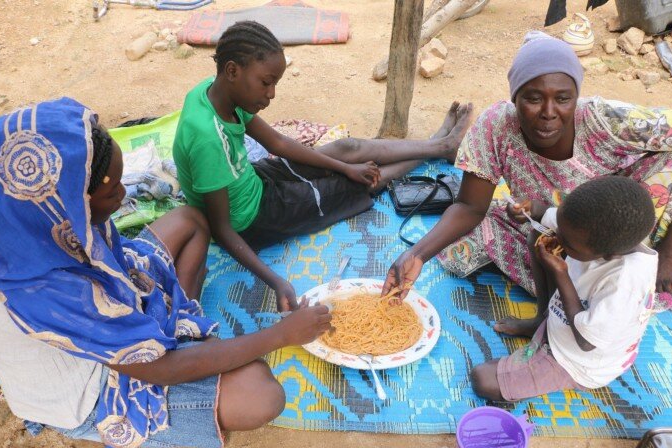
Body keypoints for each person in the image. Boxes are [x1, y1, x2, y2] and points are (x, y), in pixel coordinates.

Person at [0, 98, 332, 448]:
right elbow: (160, 370)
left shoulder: (30, 219)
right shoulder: (42, 290)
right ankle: (178, 346)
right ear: (72, 202)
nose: (122, 198)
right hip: (91, 387)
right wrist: (282, 334)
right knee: (261, 393)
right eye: (111, 192)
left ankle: (173, 333)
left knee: (190, 220)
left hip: (117, 313)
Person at [382, 31, 672, 332]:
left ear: (576, 98)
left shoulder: (604, 119)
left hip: (620, 230)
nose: (548, 113)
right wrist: (416, 254)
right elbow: (469, 206)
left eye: (563, 99)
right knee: (480, 232)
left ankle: (631, 278)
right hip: (558, 226)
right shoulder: (496, 127)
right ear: (515, 97)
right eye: (533, 98)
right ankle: (571, 298)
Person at [173, 20, 473, 313]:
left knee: (348, 149)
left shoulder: (216, 93)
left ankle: (439, 147)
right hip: (254, 219)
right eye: (266, 82)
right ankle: (438, 144)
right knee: (361, 184)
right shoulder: (207, 139)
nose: (272, 93)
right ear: (232, 71)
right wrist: (275, 281)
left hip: (253, 180)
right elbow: (223, 229)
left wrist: (342, 166)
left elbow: (277, 143)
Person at [470, 176, 658, 401]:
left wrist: (562, 275)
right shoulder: (594, 232)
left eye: (568, 242)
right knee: (540, 235)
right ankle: (542, 322)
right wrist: (531, 208)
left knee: (483, 380)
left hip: (579, 360)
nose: (558, 236)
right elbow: (548, 217)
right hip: (568, 321)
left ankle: (548, 351)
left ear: (606, 255)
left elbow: (586, 342)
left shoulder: (625, 282)